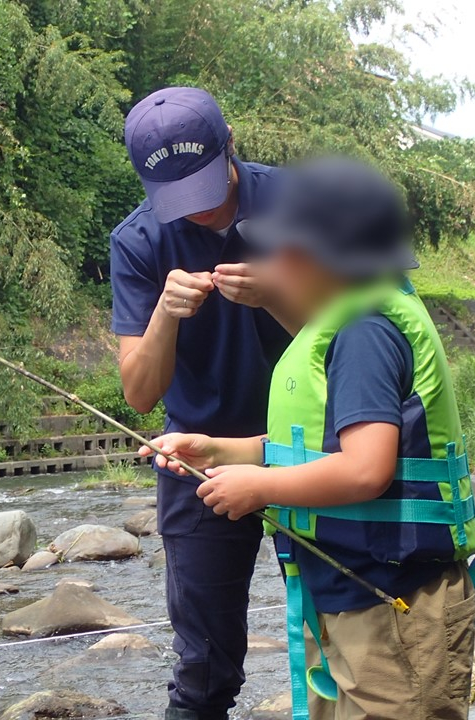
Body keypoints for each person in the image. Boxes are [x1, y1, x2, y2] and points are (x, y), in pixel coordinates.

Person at [141, 157, 475, 720]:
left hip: (394, 606)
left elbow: (365, 469)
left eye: (281, 250)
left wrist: (260, 487)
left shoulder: (365, 336)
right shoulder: (348, 323)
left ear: (313, 259)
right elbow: (325, 450)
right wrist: (219, 449)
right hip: (354, 600)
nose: (273, 263)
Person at [111, 87, 293, 720]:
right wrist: (165, 314)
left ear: (231, 144)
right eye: (179, 197)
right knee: (203, 668)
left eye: (207, 185)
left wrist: (277, 294)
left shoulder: (303, 205)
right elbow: (139, 393)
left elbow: (380, 329)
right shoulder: (138, 242)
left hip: (317, 443)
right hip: (199, 456)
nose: (199, 211)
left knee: (348, 632)